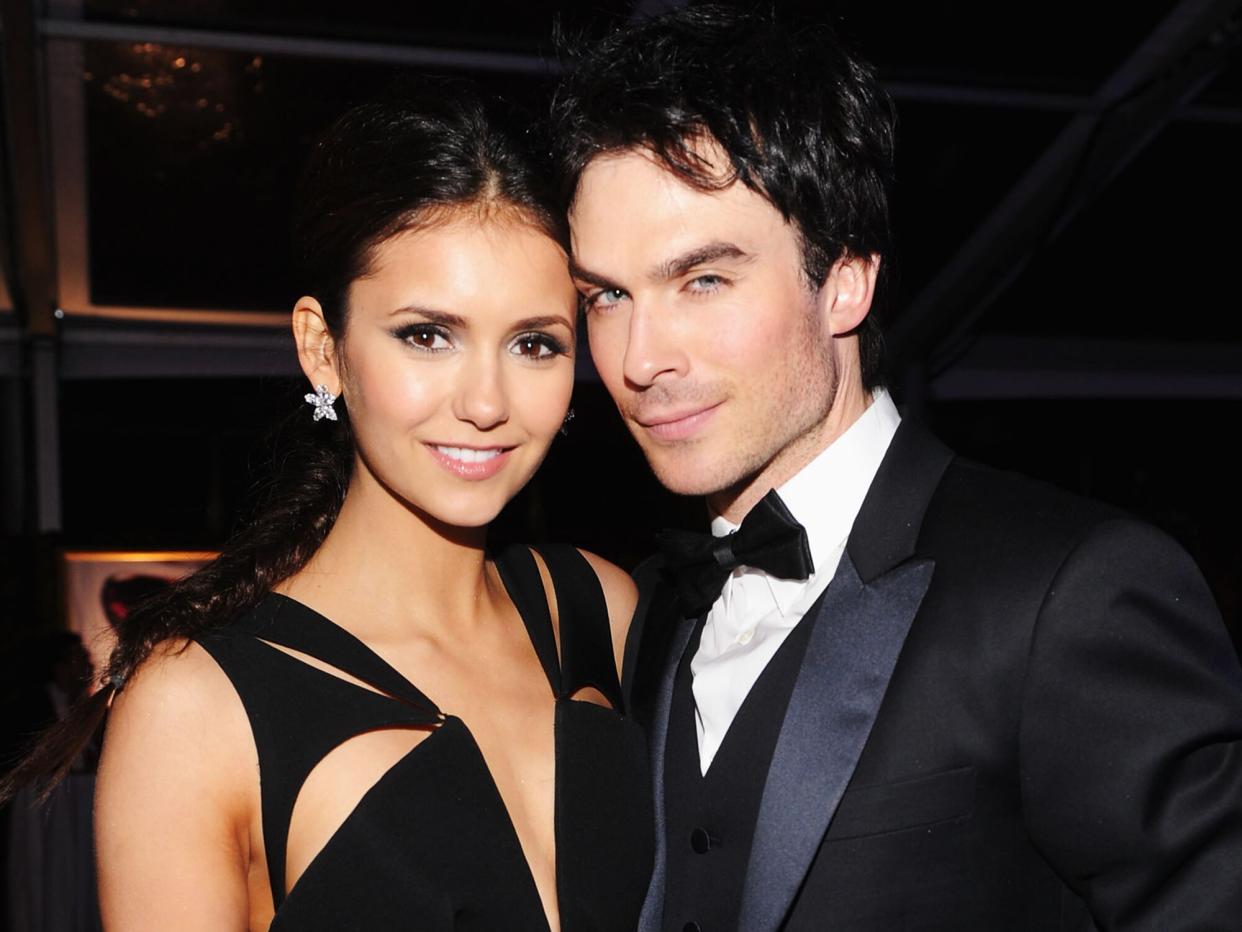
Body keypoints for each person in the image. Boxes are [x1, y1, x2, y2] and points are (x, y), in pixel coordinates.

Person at [551, 6, 1242, 931]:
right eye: (607, 296)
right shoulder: (649, 614)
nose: (638, 356)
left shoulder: (1068, 592)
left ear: (844, 279)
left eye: (703, 280)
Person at [2, 87, 652, 931]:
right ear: (323, 348)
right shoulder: (193, 708)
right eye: (427, 334)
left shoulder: (601, 607)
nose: (487, 402)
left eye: (535, 343)